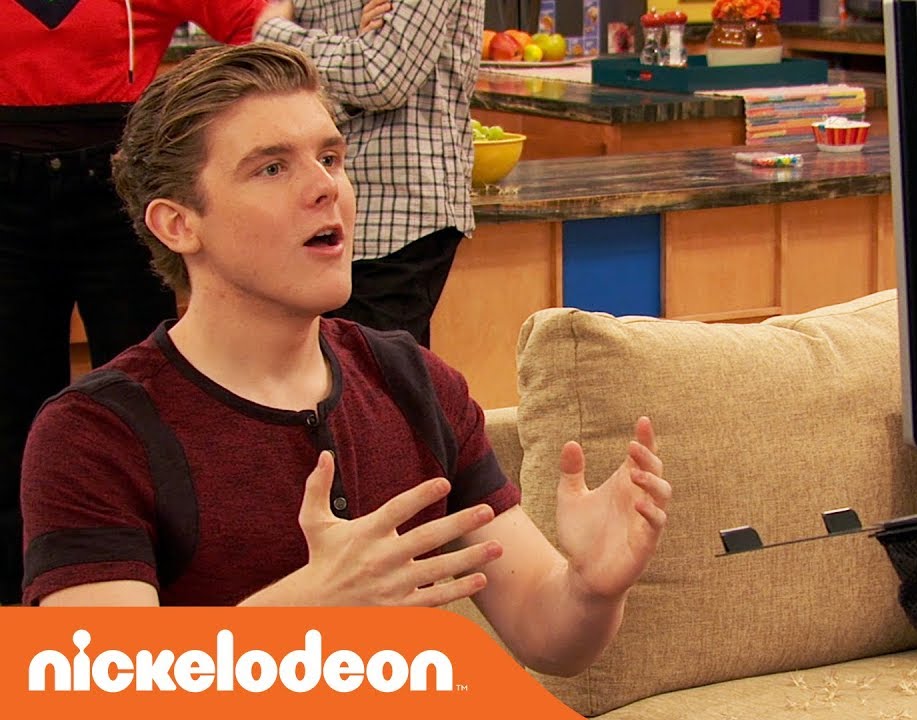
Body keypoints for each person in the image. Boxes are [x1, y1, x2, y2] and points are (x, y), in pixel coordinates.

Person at [20, 42, 670, 676]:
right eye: (272, 168)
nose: (325, 187)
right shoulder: (93, 434)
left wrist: (590, 587)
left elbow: (549, 638)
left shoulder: (413, 382)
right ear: (178, 224)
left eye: (330, 157)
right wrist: (304, 611)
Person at [0, 0, 279, 606]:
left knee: (148, 393)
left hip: (117, 185)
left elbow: (255, 22)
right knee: (6, 406)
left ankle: (163, 577)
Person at [253, 0, 481, 348]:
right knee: (316, 369)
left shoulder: (278, 22)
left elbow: (380, 76)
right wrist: (346, 64)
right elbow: (282, 90)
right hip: (314, 207)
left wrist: (272, 32)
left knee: (371, 372)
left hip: (396, 212)